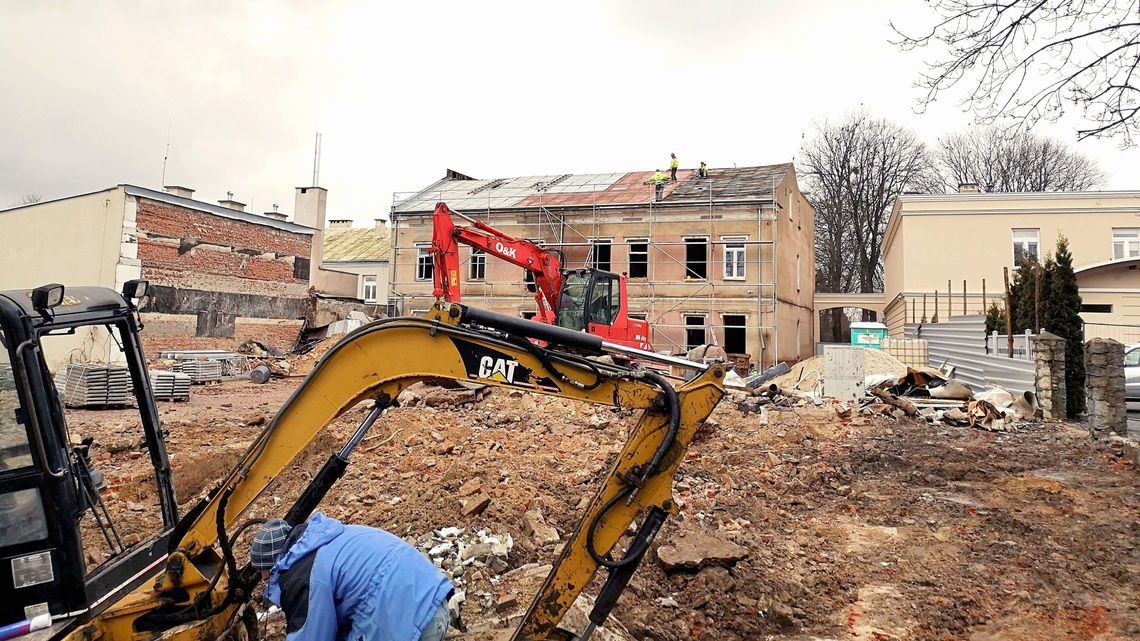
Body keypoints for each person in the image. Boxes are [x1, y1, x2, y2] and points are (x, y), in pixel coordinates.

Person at [252, 514, 454, 641]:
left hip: (409, 622)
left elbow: (311, 634)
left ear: (272, 564)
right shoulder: (327, 539)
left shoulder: (303, 576)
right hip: (434, 601)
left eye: (263, 572)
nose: (263, 578)